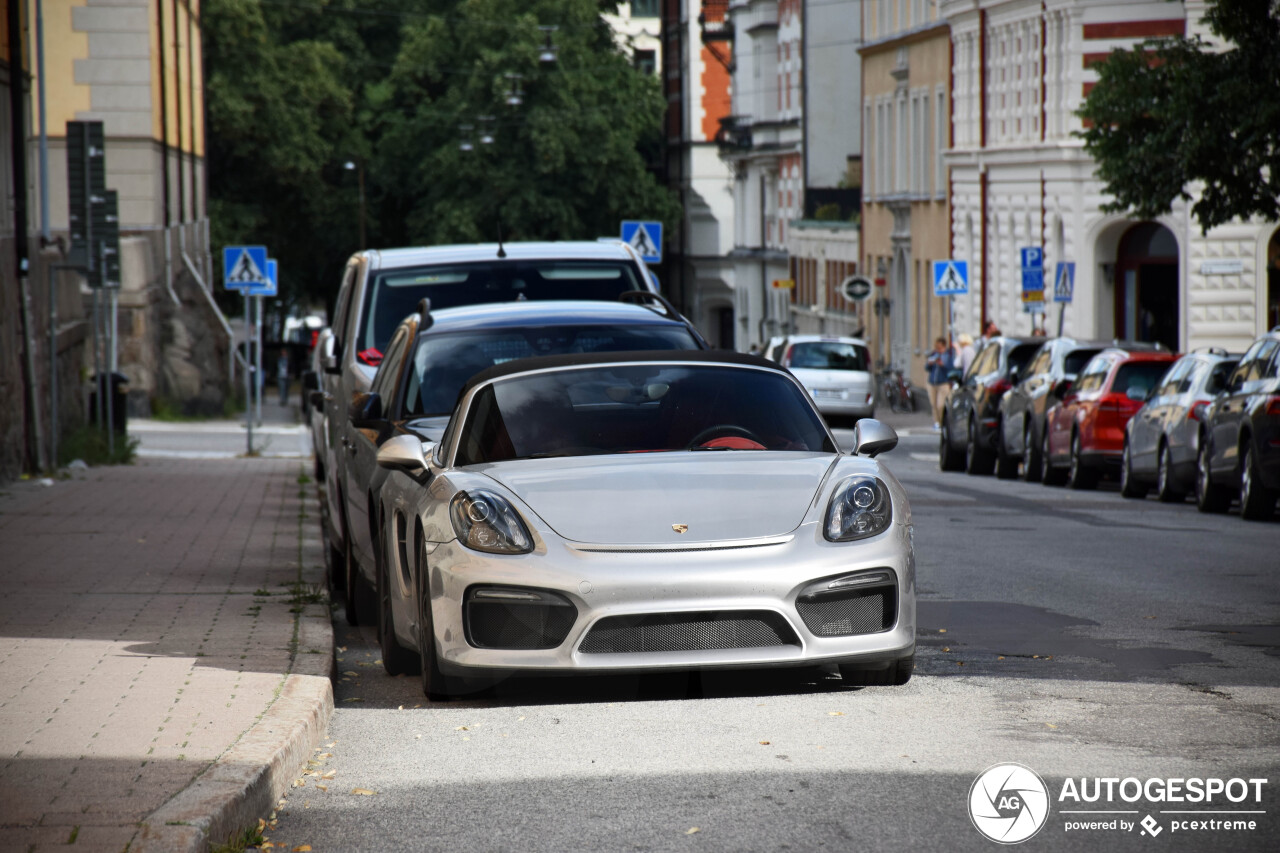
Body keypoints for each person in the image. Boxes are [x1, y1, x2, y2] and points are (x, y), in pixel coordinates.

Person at [925, 337, 954, 430]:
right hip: (932, 383)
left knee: (940, 405)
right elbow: (927, 368)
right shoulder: (934, 354)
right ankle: (936, 423)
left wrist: (942, 365)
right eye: (936, 347)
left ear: (944, 346)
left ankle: (942, 422)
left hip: (943, 383)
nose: (938, 349)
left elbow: (951, 368)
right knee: (933, 404)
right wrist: (929, 364)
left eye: (940, 347)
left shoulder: (949, 355)